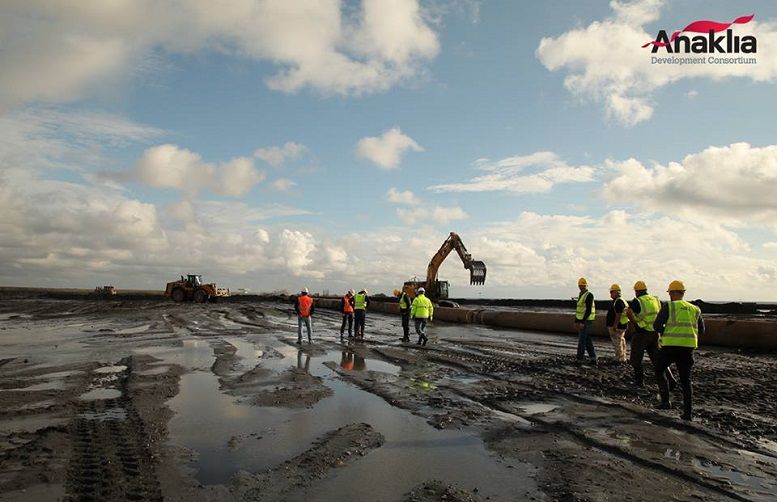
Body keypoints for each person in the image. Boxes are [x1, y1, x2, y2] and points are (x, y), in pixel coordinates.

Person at [653, 280, 704, 421]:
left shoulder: (669, 306)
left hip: (670, 346)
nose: (669, 295)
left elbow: (657, 326)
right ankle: (688, 413)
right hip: (687, 349)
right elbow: (702, 330)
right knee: (686, 380)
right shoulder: (695, 309)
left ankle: (665, 402)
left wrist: (667, 331)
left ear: (673, 293)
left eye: (670, 293)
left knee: (659, 369)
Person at [626, 281, 677, 389]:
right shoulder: (655, 299)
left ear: (637, 291)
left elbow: (628, 312)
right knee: (658, 359)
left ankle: (639, 382)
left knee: (636, 359)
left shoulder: (637, 301)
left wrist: (635, 324)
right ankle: (671, 379)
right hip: (655, 333)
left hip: (642, 333)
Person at [574, 277, 597, 366]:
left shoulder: (589, 295)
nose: (581, 287)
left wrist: (582, 322)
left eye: (583, 286)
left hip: (587, 321)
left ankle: (579, 359)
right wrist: (576, 320)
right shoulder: (581, 295)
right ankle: (593, 358)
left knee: (582, 341)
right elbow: (579, 310)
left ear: (586, 286)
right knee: (587, 340)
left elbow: (588, 310)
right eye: (580, 286)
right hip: (582, 320)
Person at [606, 284, 629, 363]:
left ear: (616, 292)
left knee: (617, 342)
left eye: (611, 292)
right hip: (622, 324)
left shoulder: (618, 301)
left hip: (618, 326)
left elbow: (618, 314)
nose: (610, 294)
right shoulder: (621, 300)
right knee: (621, 341)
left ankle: (619, 358)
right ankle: (623, 357)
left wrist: (615, 325)